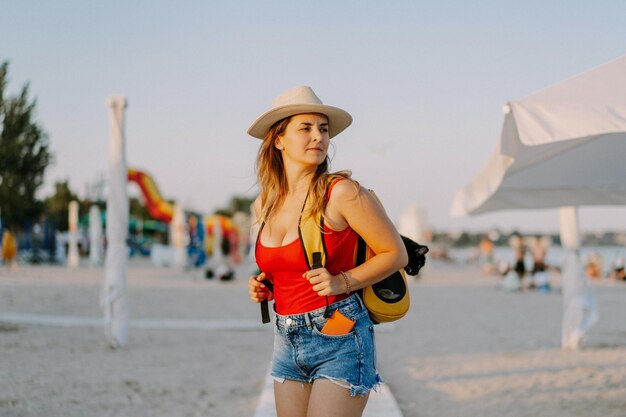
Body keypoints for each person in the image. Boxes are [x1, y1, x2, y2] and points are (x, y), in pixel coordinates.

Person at [246, 86, 407, 417]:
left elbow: (396, 253)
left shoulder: (341, 192)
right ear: (278, 139)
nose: (318, 137)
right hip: (286, 336)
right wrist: (265, 285)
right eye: (305, 128)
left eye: (323, 129)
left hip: (339, 328)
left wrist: (342, 282)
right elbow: (289, 267)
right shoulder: (263, 205)